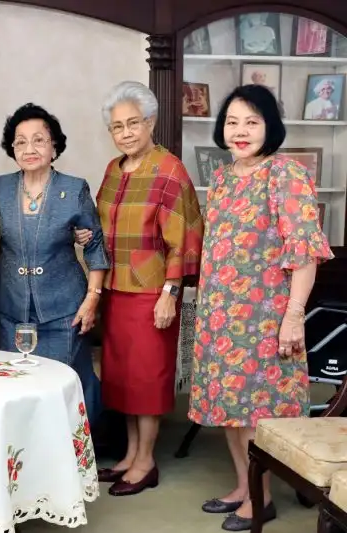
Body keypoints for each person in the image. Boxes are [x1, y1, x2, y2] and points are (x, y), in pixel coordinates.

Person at [188, 84, 333, 531]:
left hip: (264, 319)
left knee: (257, 412)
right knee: (230, 408)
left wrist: (294, 316)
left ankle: (262, 497)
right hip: (220, 316)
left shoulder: (285, 174)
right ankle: (243, 485)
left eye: (252, 122)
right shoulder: (224, 177)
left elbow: (304, 254)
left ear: (270, 127)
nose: (241, 131)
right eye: (232, 122)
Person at [90, 81, 203, 496]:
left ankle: (146, 462)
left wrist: (170, 294)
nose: (126, 133)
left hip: (153, 292)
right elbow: (100, 225)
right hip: (116, 289)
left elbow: (184, 238)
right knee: (123, 377)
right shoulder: (112, 169)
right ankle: (130, 455)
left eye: (133, 123)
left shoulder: (169, 170)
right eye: (117, 127)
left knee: (147, 379)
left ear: (150, 122)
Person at [0, 103, 110, 425]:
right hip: (10, 310)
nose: (29, 149)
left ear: (54, 146)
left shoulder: (73, 189)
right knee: (15, 392)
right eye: (20, 142)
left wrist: (92, 299)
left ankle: (72, 452)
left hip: (63, 311)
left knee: (63, 393)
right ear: (12, 148)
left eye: (39, 140)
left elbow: (95, 245)